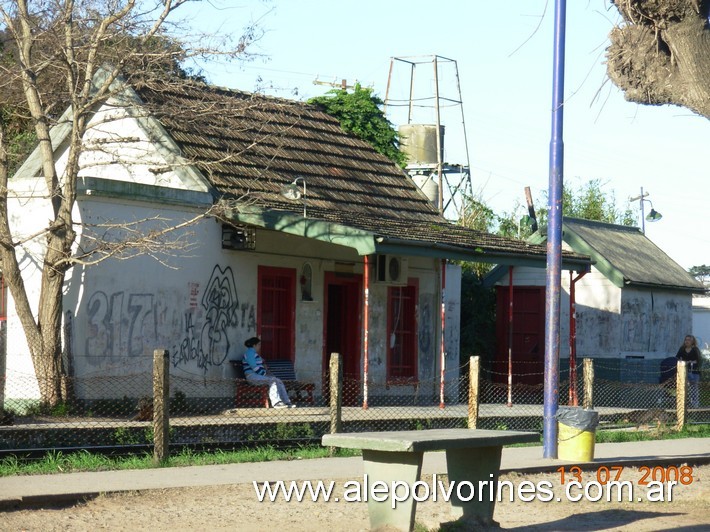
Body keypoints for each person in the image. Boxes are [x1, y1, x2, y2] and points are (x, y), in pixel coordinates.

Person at [241, 337, 295, 409]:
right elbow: (254, 366)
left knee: (278, 381)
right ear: (254, 345)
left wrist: (263, 364)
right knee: (272, 381)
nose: (260, 347)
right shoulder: (249, 353)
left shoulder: (254, 353)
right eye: (259, 344)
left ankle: (286, 402)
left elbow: (261, 361)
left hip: (258, 376)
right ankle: (276, 403)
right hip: (252, 376)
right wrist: (264, 373)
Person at [676, 334, 701, 408]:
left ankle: (695, 404)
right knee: (684, 387)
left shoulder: (695, 349)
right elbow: (677, 358)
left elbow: (698, 361)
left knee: (694, 388)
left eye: (689, 340)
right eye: (686, 340)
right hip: (684, 371)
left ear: (692, 342)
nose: (687, 341)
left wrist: (690, 362)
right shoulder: (682, 349)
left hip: (694, 372)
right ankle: (684, 404)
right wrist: (681, 362)